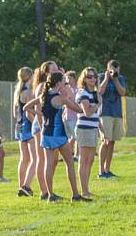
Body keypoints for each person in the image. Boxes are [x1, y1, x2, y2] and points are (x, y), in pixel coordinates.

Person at [24, 72, 90, 202]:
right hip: (58, 135)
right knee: (70, 163)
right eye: (63, 82)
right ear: (58, 83)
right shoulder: (61, 98)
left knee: (48, 164)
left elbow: (26, 107)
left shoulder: (43, 96)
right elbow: (79, 110)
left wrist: (41, 114)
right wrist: (70, 97)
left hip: (46, 134)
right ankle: (75, 195)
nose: (65, 84)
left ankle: (50, 195)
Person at [30, 61, 60, 199]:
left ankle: (49, 189)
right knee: (42, 160)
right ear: (46, 72)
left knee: (53, 160)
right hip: (42, 126)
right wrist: (43, 127)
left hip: (51, 126)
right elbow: (38, 109)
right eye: (54, 69)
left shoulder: (55, 85)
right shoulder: (42, 86)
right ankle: (44, 192)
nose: (57, 70)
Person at [74, 67, 102, 198]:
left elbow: (95, 116)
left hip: (93, 129)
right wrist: (97, 104)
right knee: (84, 160)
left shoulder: (95, 93)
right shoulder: (82, 93)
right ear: (84, 79)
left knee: (90, 160)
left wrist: (102, 131)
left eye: (94, 76)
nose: (93, 79)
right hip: (84, 129)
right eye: (90, 76)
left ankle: (86, 189)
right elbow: (88, 112)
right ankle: (83, 191)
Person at [98, 60, 126, 178]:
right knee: (105, 140)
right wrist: (106, 78)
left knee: (112, 141)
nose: (115, 71)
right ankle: (101, 172)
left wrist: (115, 80)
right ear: (107, 68)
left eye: (117, 69)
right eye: (112, 69)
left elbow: (123, 92)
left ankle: (107, 169)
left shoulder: (120, 79)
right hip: (105, 113)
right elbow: (99, 91)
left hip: (117, 113)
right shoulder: (100, 76)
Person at [13, 67, 36, 196]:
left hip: (19, 126)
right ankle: (26, 186)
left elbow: (14, 113)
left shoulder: (17, 92)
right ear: (30, 76)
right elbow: (28, 112)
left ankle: (21, 186)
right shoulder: (29, 92)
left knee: (24, 159)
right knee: (35, 159)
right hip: (28, 126)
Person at [63, 70, 79, 162]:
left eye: (69, 78)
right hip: (68, 116)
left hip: (76, 116)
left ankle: (76, 155)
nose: (68, 80)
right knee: (72, 137)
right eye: (66, 78)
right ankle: (68, 154)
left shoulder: (78, 89)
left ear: (73, 79)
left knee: (76, 137)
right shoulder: (65, 89)